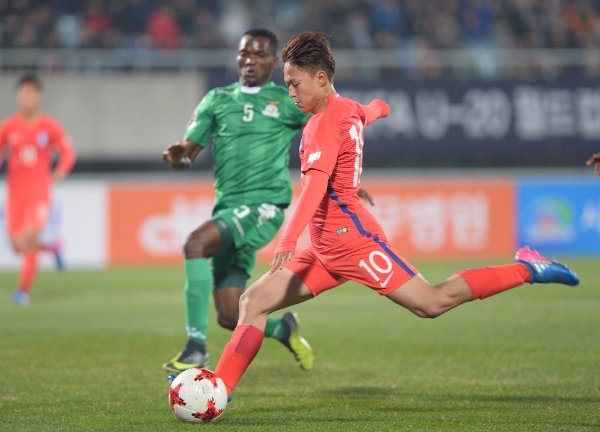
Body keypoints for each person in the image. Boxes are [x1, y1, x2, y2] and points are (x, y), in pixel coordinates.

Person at [210, 32, 580, 398]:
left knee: (431, 303)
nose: (291, 92)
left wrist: (288, 239)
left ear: (320, 78)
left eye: (295, 84)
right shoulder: (348, 108)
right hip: (325, 250)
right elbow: (373, 110)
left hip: (353, 242)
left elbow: (314, 190)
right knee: (253, 301)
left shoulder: (320, 125)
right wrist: (380, 110)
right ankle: (219, 389)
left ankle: (528, 267)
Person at [162, 28, 376, 374]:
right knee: (231, 315)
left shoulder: (286, 101)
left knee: (195, 244)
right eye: (244, 53)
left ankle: (195, 348)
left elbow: (335, 129)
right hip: (229, 211)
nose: (250, 60)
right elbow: (188, 153)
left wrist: (348, 181)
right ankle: (284, 329)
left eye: (260, 54)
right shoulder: (217, 100)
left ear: (274, 62)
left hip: (264, 208)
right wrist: (177, 158)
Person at [0, 74, 76, 306]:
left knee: (30, 238)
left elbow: (67, 152)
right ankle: (53, 247)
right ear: (17, 96)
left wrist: (61, 170)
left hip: (39, 192)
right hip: (15, 194)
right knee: (17, 246)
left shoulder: (50, 126)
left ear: (39, 96)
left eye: (31, 93)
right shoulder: (8, 127)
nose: (27, 97)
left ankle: (22, 291)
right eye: (23, 92)